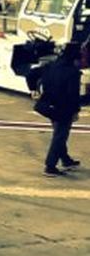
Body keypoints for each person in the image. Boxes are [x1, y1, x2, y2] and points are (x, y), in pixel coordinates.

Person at [36, 46, 82, 176]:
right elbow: (73, 95)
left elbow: (31, 74)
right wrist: (75, 111)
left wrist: (33, 89)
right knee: (60, 137)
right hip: (64, 109)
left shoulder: (51, 66)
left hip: (49, 106)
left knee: (59, 134)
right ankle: (50, 166)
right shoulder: (72, 73)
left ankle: (66, 160)